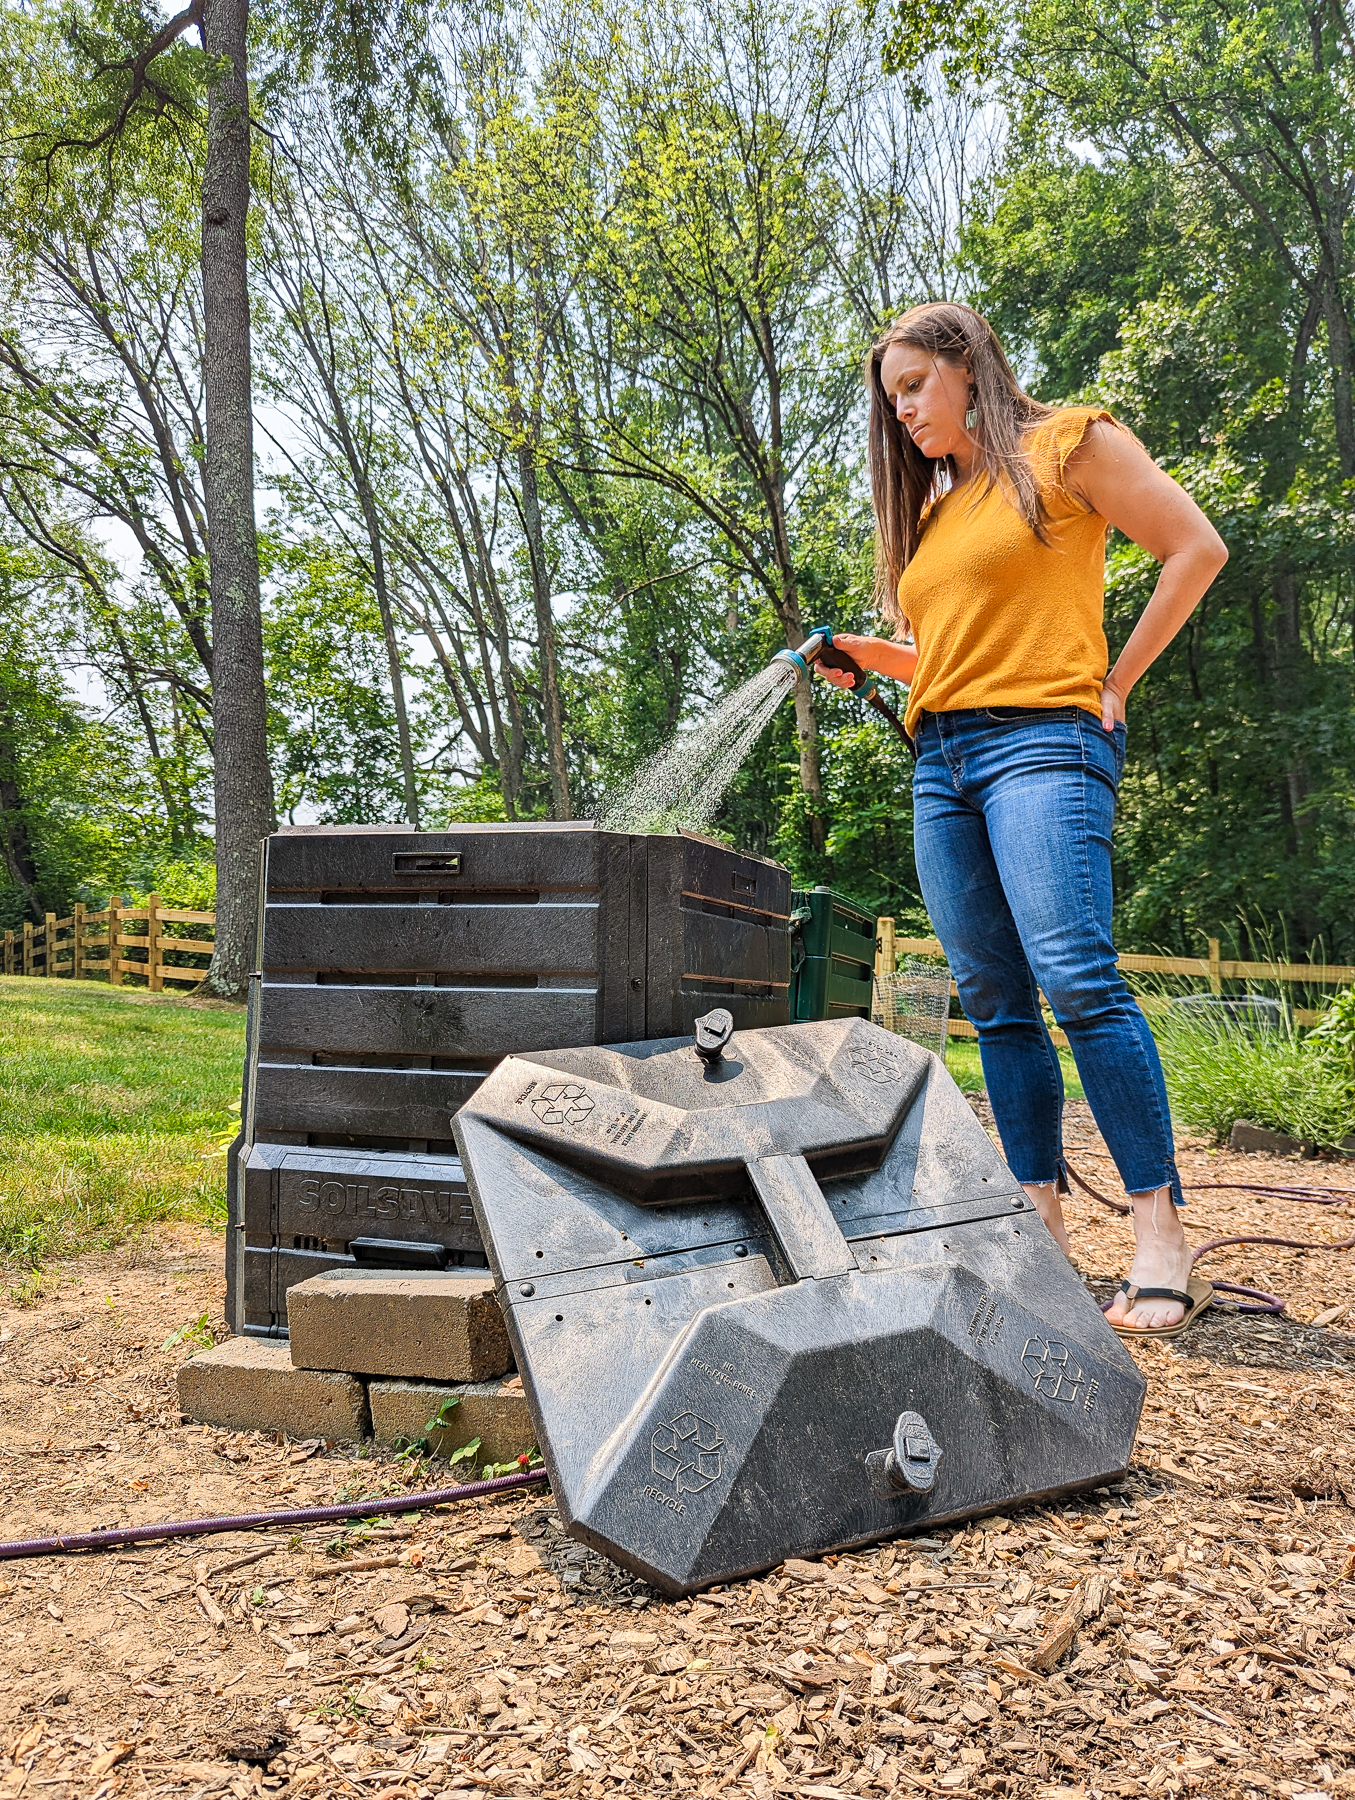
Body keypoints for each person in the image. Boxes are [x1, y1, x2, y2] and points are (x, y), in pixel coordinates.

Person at [817, 301, 1228, 1336]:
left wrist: (1115, 680)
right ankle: (1035, 1228)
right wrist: (872, 657)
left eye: (911, 385)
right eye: (889, 398)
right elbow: (957, 652)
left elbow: (1193, 547)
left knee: (1076, 979)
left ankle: (1158, 1234)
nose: (901, 410)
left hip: (1046, 740)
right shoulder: (936, 507)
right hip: (941, 758)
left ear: (962, 364)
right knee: (995, 1000)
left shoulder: (1067, 444)